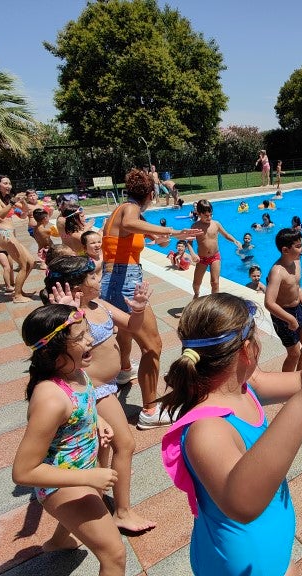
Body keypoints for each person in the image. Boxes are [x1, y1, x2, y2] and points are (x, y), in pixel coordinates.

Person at [158, 293, 302, 575]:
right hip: (237, 564)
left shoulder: (246, 387)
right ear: (247, 350)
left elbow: (298, 380)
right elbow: (242, 502)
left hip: (267, 550)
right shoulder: (207, 428)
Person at [43, 258, 157, 533]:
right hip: (94, 390)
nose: (99, 280)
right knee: (125, 444)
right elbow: (63, 344)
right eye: (93, 277)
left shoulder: (100, 305)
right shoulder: (64, 317)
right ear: (77, 288)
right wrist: (70, 315)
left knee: (103, 447)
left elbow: (131, 323)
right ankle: (122, 512)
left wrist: (139, 310)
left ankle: (91, 498)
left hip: (108, 387)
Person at [11, 304, 126, 573]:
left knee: (88, 505)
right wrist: (88, 478)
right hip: (60, 483)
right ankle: (62, 535)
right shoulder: (51, 399)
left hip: (81, 470)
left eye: (88, 333)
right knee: (115, 554)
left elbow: (83, 406)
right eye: (81, 336)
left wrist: (100, 421)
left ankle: (57, 542)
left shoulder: (76, 371)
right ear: (55, 349)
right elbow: (23, 471)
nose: (90, 340)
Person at [100, 168, 202, 429]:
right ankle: (150, 410)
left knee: (125, 332)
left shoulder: (121, 210)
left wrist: (158, 238)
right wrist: (175, 232)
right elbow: (131, 224)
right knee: (152, 346)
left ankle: (124, 370)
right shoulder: (129, 209)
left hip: (113, 280)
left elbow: (135, 233)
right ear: (150, 193)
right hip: (126, 281)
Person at [265, 228, 302, 372]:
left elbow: (297, 287)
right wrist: (290, 320)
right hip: (283, 315)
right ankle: (284, 384)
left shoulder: (297, 262)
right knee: (293, 354)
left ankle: (299, 376)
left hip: (298, 308)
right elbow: (269, 303)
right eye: (298, 246)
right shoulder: (277, 272)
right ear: (285, 250)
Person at [0, 175, 35, 303]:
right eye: (5, 183)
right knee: (24, 265)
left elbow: (25, 213)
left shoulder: (8, 199)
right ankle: (17, 296)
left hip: (10, 235)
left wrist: (23, 200)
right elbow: (1, 214)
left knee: (30, 262)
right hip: (4, 234)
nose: (9, 186)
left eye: (9, 183)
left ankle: (19, 290)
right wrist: (13, 202)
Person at [191, 200, 241, 298]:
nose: (209, 218)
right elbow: (189, 242)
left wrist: (234, 240)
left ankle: (214, 301)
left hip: (215, 256)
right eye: (206, 216)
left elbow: (226, 234)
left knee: (215, 282)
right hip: (202, 258)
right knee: (196, 283)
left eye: (211, 215)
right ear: (199, 214)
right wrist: (193, 253)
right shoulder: (195, 226)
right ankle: (196, 294)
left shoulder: (216, 224)